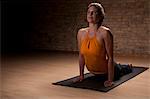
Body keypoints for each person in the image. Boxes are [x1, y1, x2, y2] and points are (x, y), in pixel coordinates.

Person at [77, 3, 132, 87]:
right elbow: (81, 55)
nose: (90, 14)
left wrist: (110, 80)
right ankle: (122, 66)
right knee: (119, 66)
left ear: (100, 16)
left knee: (122, 70)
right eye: (88, 12)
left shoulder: (105, 33)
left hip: (106, 72)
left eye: (94, 12)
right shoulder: (81, 33)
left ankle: (127, 67)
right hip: (94, 72)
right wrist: (81, 75)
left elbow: (110, 57)